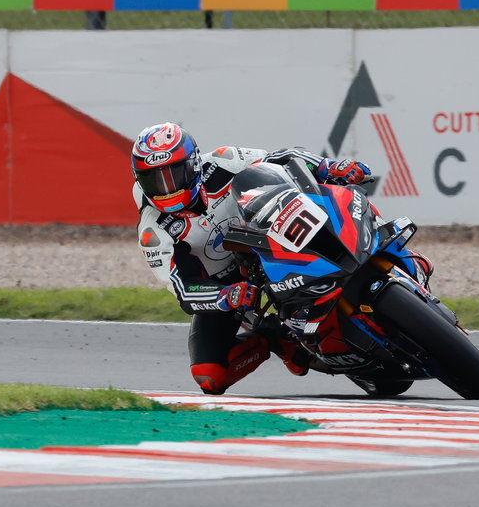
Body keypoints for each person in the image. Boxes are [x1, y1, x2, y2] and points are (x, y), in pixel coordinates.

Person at [131, 122, 427, 395]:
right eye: (154, 180)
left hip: (272, 235)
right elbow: (183, 289)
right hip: (233, 283)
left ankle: (398, 255)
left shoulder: (222, 160)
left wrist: (330, 166)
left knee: (335, 201)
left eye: (174, 174)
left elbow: (282, 158)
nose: (167, 187)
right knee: (210, 376)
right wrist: (225, 296)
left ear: (193, 163)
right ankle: (280, 339)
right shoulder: (153, 230)